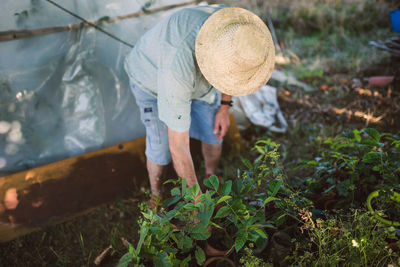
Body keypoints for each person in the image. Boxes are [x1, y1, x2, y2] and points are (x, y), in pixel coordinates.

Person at [124, 4, 275, 200]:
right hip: (152, 82)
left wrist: (224, 107)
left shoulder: (233, 27)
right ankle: (156, 197)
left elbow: (232, 69)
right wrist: (197, 205)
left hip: (196, 80)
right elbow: (178, 145)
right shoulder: (176, 69)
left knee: (214, 129)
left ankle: (211, 176)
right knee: (160, 146)